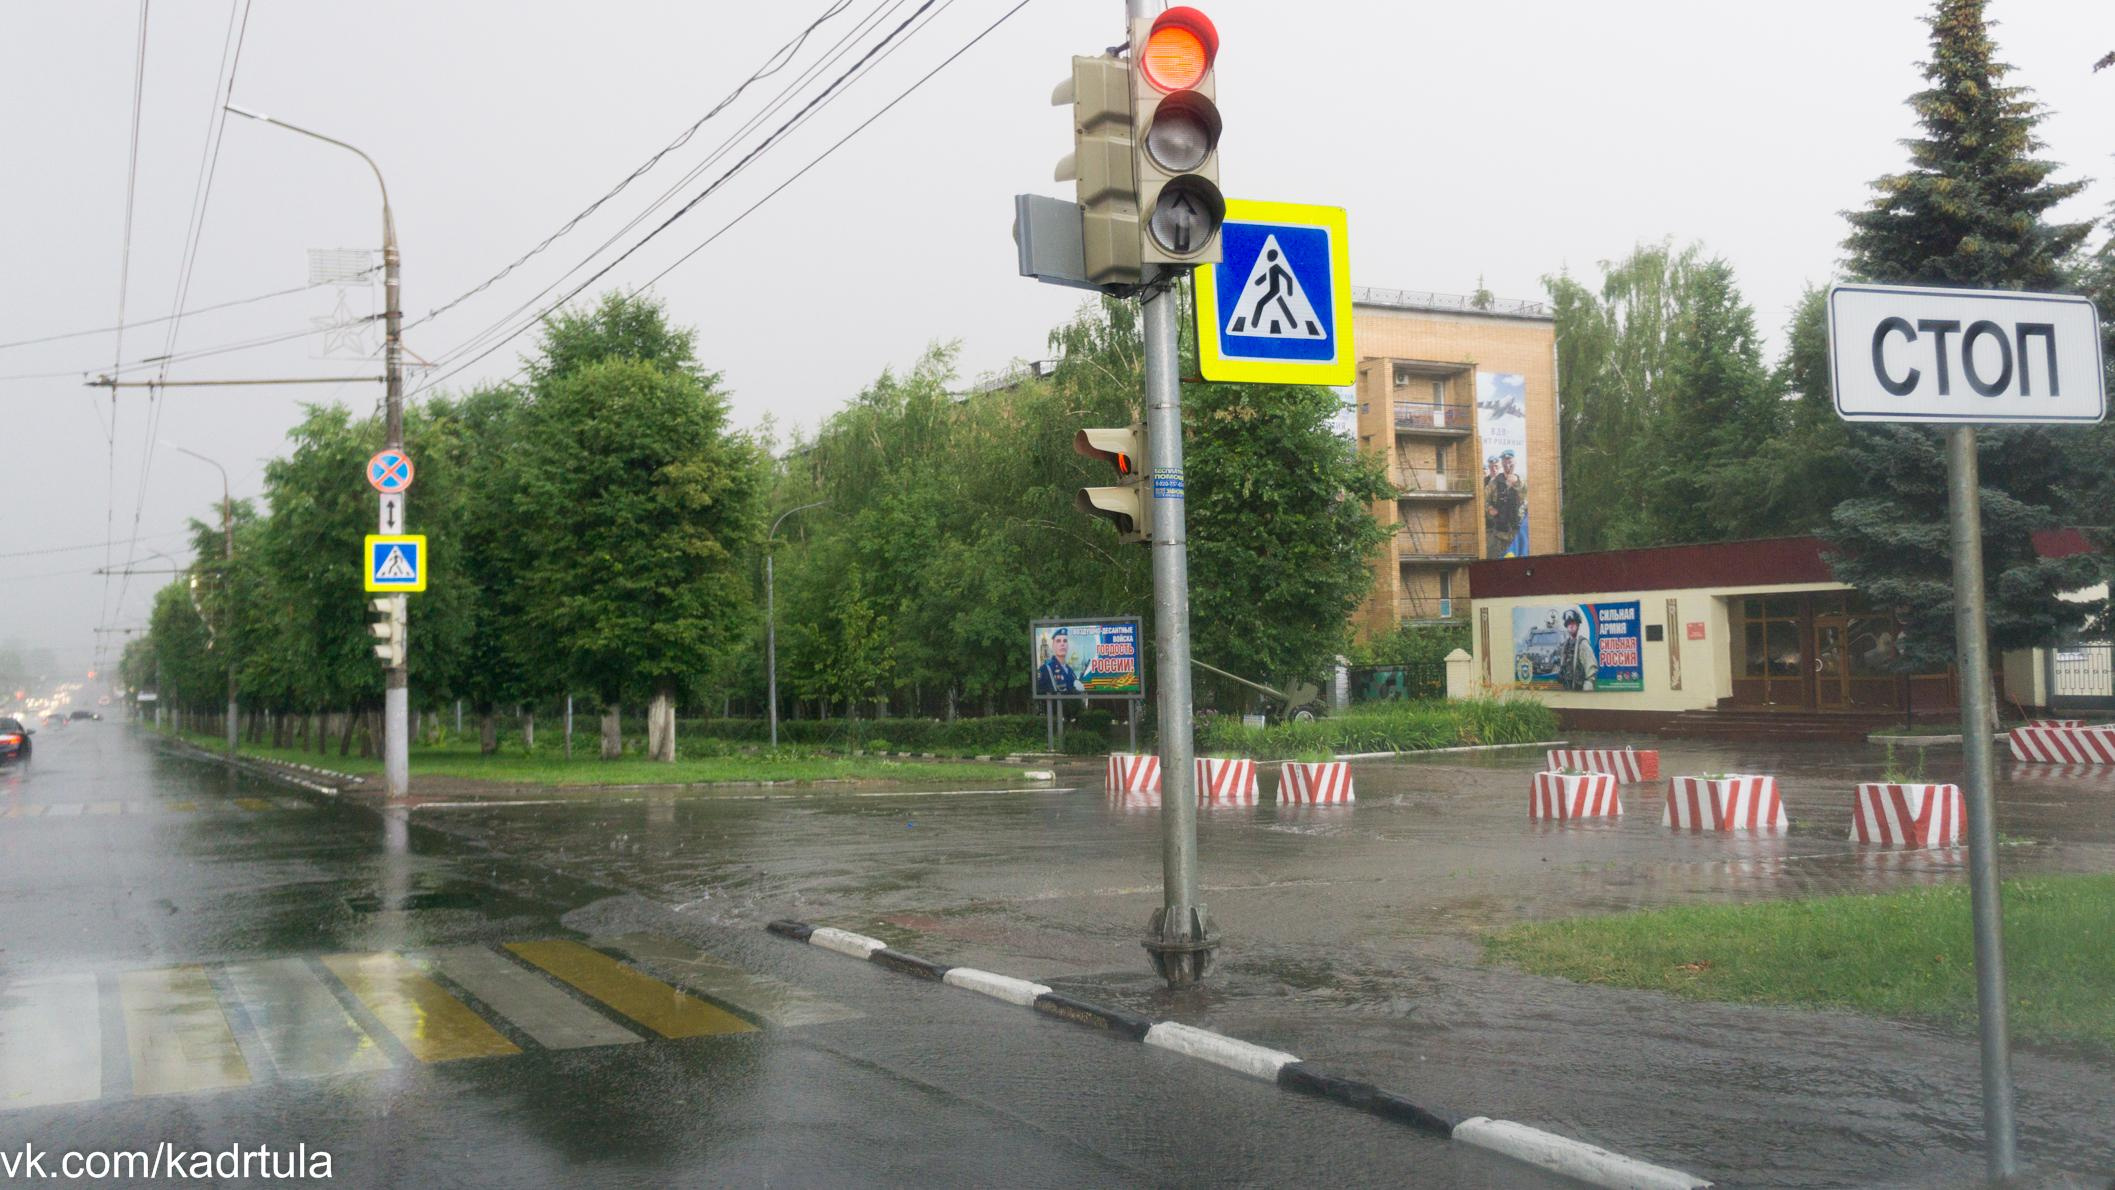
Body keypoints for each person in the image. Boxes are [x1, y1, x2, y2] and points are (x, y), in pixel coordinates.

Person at [1557, 608, 1593, 691]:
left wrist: (1589, 684)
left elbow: (1591, 668)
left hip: (1579, 690)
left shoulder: (1583, 644)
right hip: (1567, 688)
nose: (1571, 625)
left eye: (1573, 623)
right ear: (1566, 626)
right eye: (1569, 623)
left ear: (1578, 625)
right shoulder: (1565, 645)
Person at [1035, 628, 1080, 696]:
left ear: (1067, 646)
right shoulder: (1045, 669)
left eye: (1065, 641)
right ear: (1053, 646)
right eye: (1058, 641)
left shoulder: (1070, 671)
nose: (1062, 644)